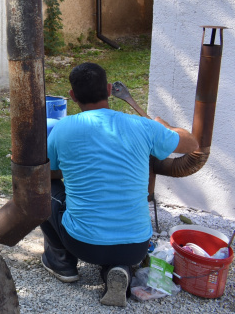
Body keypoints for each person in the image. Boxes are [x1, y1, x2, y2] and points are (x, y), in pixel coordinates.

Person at [41, 62, 198, 307]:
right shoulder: (143, 126)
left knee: (40, 188)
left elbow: (47, 173)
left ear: (72, 96)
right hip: (136, 246)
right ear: (108, 89)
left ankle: (62, 263)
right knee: (120, 239)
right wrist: (165, 128)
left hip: (83, 245)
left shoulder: (63, 129)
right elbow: (192, 143)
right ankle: (118, 269)